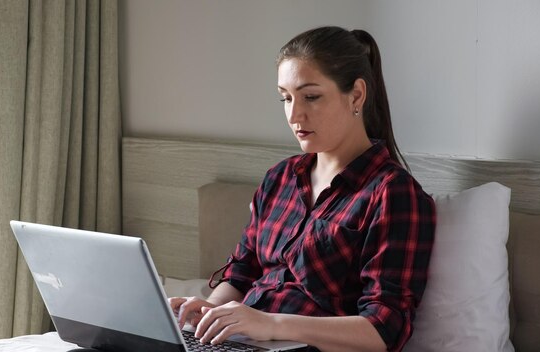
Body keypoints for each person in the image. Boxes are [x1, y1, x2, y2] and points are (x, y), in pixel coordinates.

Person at [169, 26, 436, 352]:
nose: (294, 114)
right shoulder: (280, 178)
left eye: (311, 97)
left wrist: (270, 324)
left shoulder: (391, 193)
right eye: (286, 97)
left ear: (356, 95)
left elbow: (385, 329)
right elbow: (241, 273)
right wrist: (212, 313)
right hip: (243, 343)